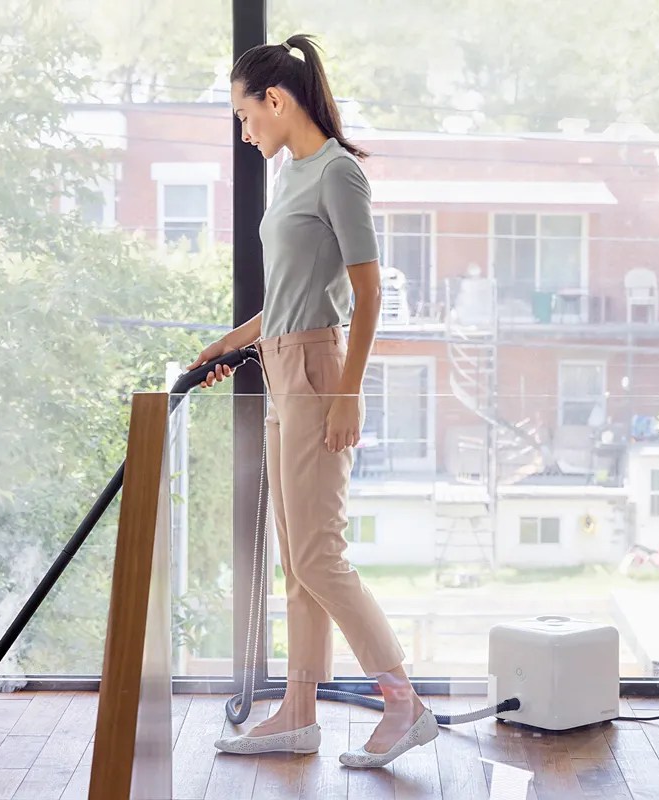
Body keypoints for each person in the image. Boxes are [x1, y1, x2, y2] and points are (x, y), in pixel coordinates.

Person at [189, 34, 437, 769]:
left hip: (320, 371)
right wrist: (226, 345)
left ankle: (404, 704)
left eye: (245, 114)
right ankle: (298, 713)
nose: (244, 130)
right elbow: (286, 298)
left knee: (321, 557)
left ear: (277, 99)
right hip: (281, 366)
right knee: (296, 562)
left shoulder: (337, 175)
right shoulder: (290, 174)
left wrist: (347, 394)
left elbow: (367, 293)